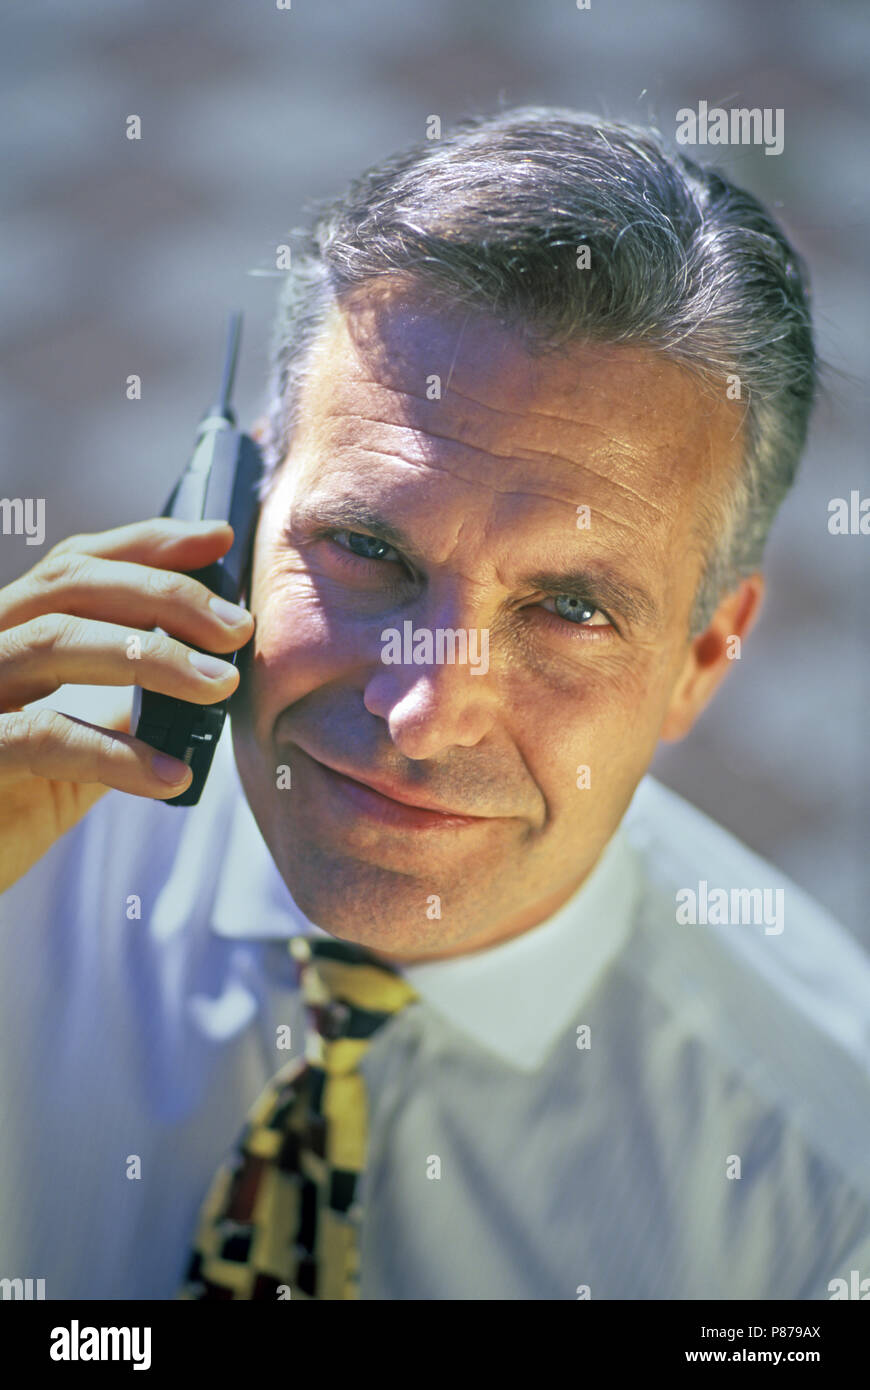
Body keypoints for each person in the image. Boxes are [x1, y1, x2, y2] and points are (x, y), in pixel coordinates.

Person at [1, 106, 868, 1301]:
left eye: (568, 609)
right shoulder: (28, 824)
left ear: (703, 657)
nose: (422, 710)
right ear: (241, 513)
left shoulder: (823, 1200)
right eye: (363, 545)